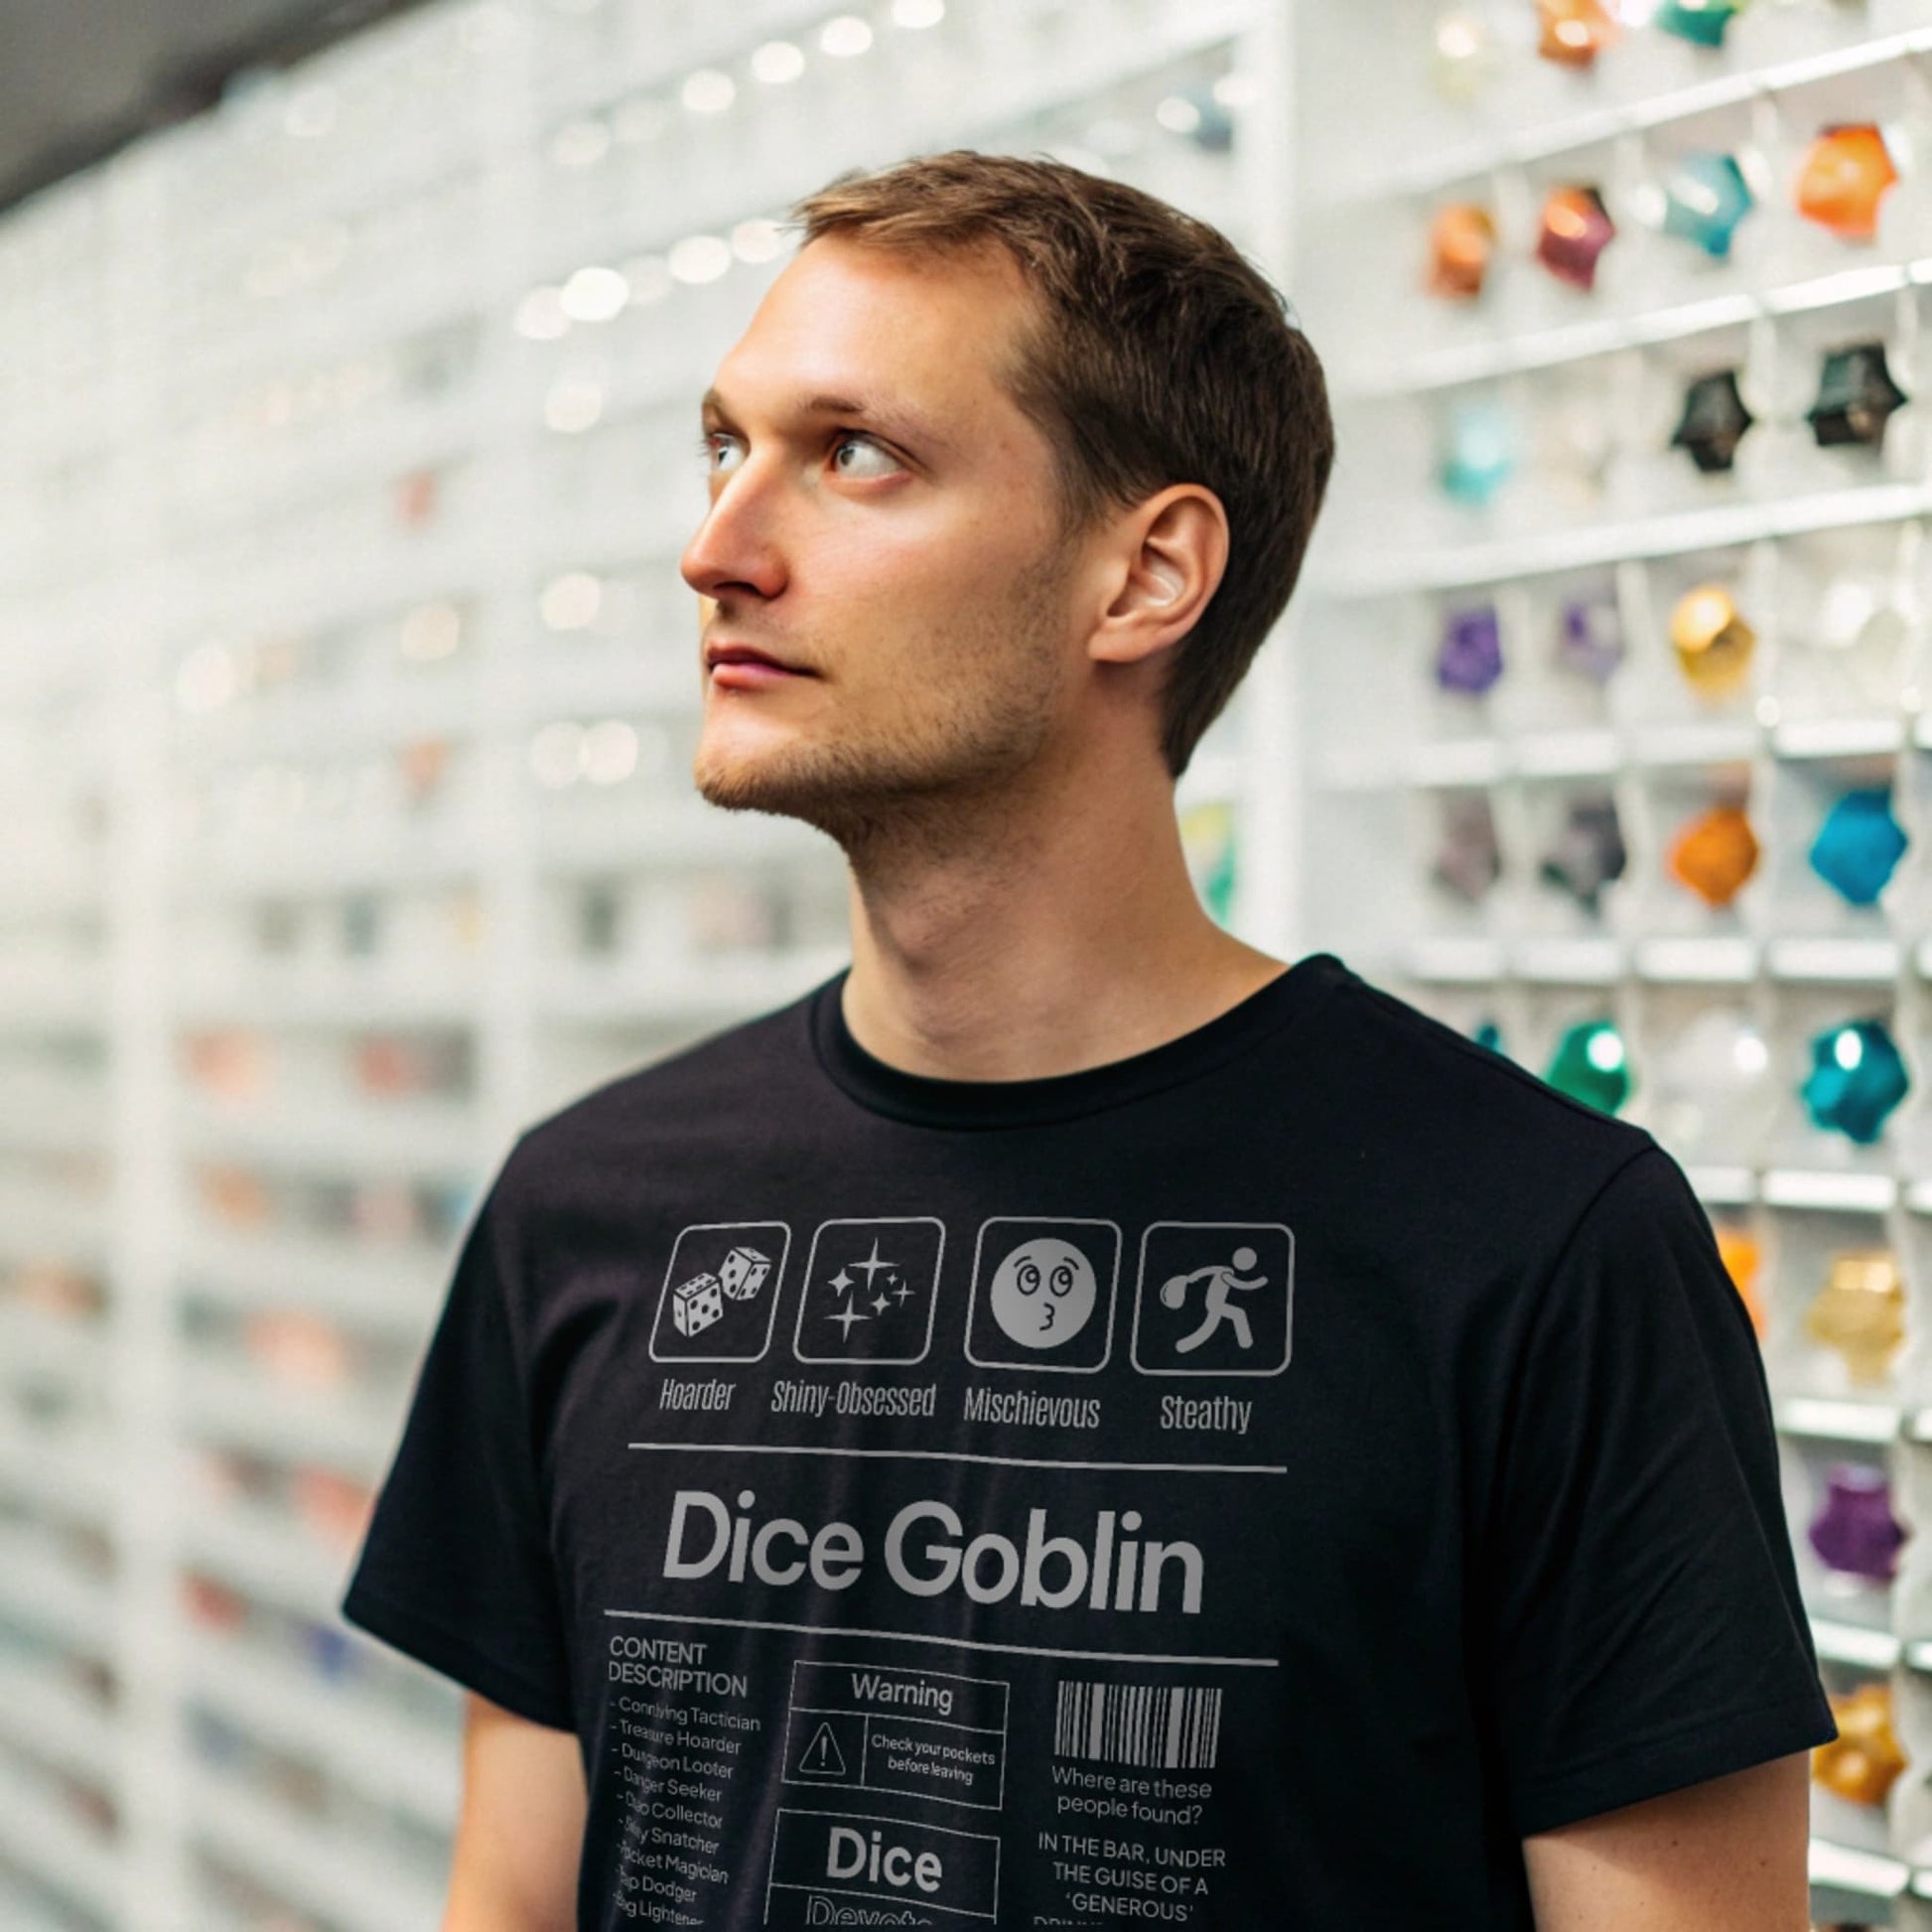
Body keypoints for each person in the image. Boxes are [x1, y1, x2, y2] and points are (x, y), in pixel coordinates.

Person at [342, 149, 1834, 1931]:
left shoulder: (1531, 1244)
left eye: (855, 456)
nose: (717, 549)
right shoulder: (585, 1205)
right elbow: (510, 1900)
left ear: (1144, 575)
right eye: (725, 446)